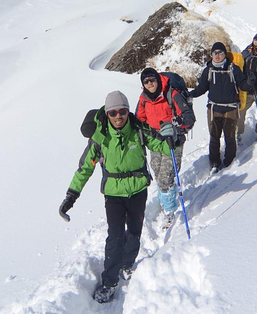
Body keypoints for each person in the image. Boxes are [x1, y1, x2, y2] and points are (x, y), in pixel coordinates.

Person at [59, 91, 175, 304]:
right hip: (113, 194)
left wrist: (173, 136)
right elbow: (85, 168)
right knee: (115, 237)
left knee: (134, 232)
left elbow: (162, 145)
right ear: (107, 113)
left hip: (138, 190)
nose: (118, 116)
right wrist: (71, 195)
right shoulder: (100, 137)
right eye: (113, 112)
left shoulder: (139, 129)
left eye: (122, 111)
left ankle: (127, 265)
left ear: (127, 110)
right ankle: (109, 282)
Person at [134, 67, 196, 228]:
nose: (150, 84)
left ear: (157, 79)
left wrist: (174, 124)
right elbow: (138, 120)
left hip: (173, 141)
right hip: (155, 142)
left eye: (152, 80)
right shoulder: (143, 99)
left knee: (164, 177)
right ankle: (168, 194)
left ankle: (169, 211)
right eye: (146, 81)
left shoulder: (171, 94)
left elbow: (189, 117)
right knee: (157, 170)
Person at [188, 42, 253, 172]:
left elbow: (243, 85)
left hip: (230, 108)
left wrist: (251, 81)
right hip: (214, 109)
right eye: (215, 53)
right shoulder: (208, 70)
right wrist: (190, 94)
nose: (217, 56)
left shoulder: (233, 68)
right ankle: (214, 163)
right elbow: (202, 88)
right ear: (212, 55)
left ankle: (229, 162)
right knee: (214, 137)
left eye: (220, 53)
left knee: (229, 137)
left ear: (225, 54)